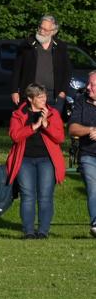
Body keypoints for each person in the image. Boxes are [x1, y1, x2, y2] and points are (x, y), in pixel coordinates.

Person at [8, 83, 65, 239]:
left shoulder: (52, 113)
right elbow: (15, 136)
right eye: (40, 97)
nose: (44, 100)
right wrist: (34, 126)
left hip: (46, 160)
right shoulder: (18, 114)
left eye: (45, 96)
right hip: (25, 160)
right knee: (28, 195)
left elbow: (60, 138)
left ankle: (43, 231)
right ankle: (29, 231)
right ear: (30, 98)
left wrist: (45, 124)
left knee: (45, 196)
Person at [12, 15, 70, 112]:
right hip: (31, 94)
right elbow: (16, 69)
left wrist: (63, 91)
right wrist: (14, 91)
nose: (41, 31)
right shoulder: (27, 45)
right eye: (40, 27)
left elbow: (67, 71)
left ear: (53, 32)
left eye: (45, 30)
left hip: (53, 96)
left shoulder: (60, 47)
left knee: (52, 121)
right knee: (29, 121)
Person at [67, 69, 96, 238]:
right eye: (88, 83)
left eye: (92, 84)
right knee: (93, 186)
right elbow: (72, 128)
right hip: (88, 155)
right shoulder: (81, 101)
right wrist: (90, 130)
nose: (88, 87)